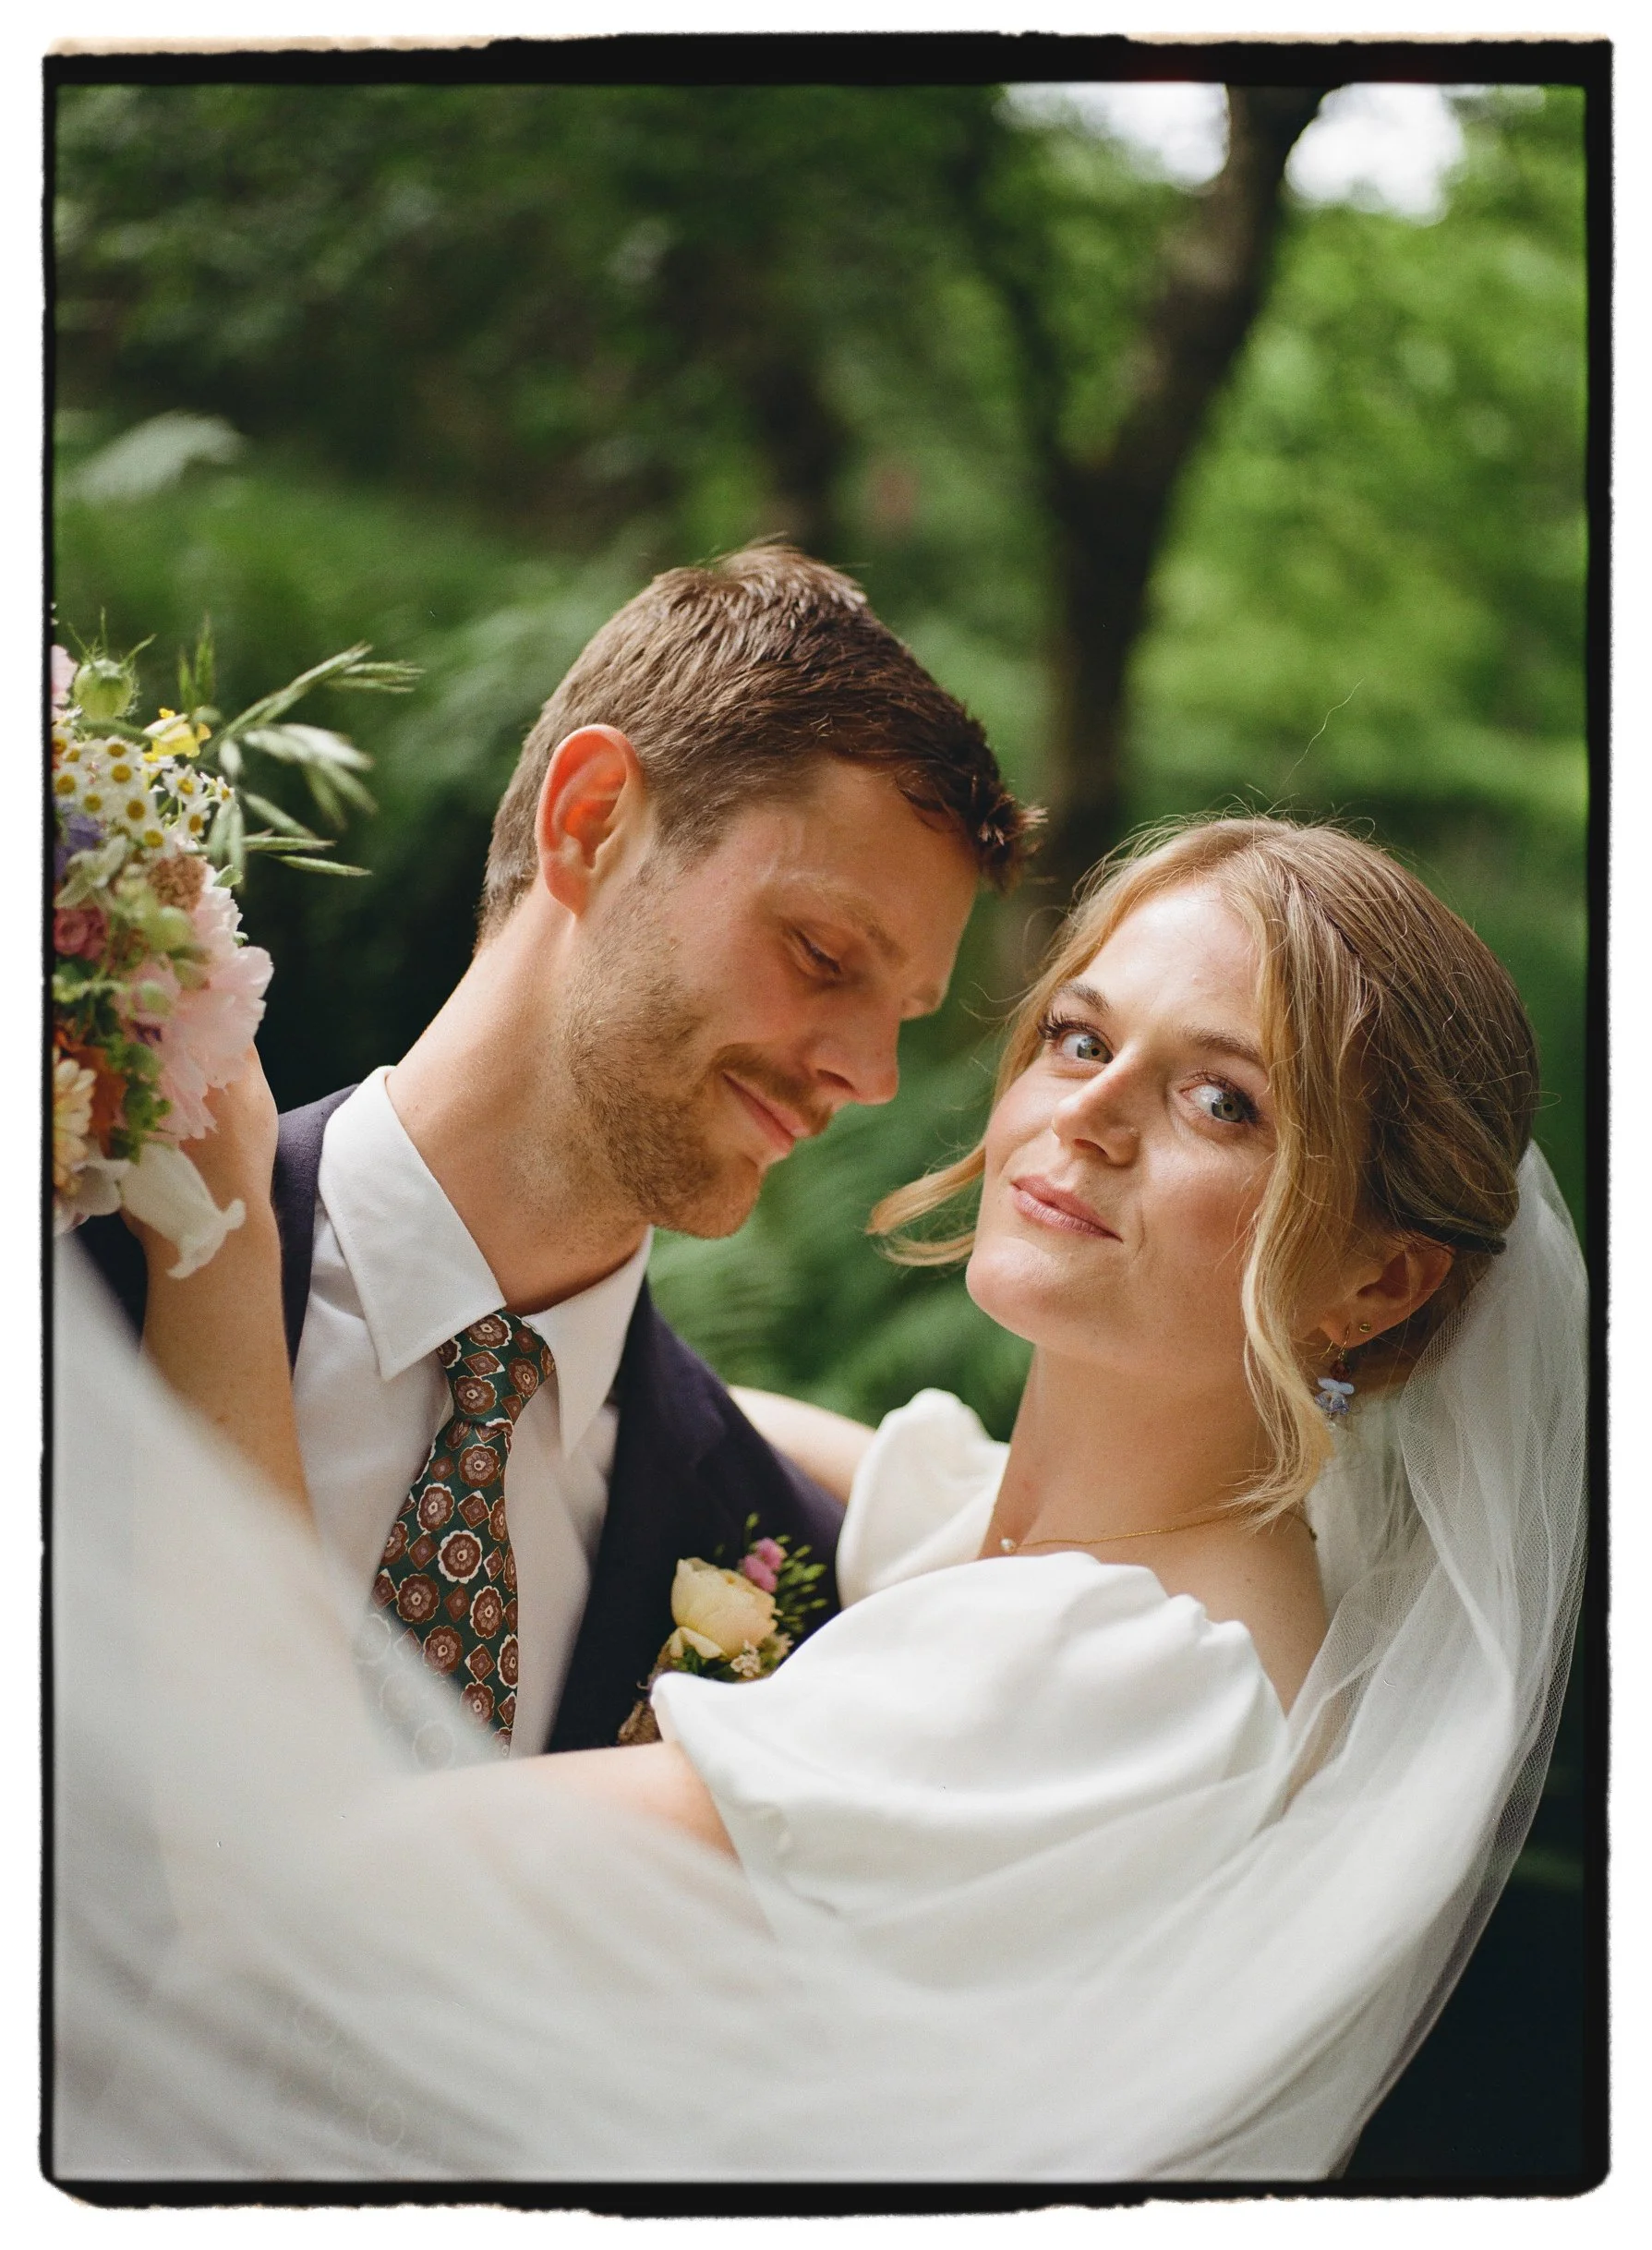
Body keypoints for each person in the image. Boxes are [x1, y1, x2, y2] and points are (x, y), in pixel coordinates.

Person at [62, 816, 1586, 2182]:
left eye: (1223, 1103)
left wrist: (220, 1221)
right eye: (1075, 1035)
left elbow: (289, 1876)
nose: (1092, 1114)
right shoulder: (1108, 1554)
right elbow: (672, 1402)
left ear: (1377, 1279)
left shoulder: (1112, 1683)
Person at [78, 540, 1031, 1758]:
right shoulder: (86, 1229)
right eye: (823, 957)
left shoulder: (780, 1561)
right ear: (591, 825)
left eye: (901, 1014)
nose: (872, 1075)